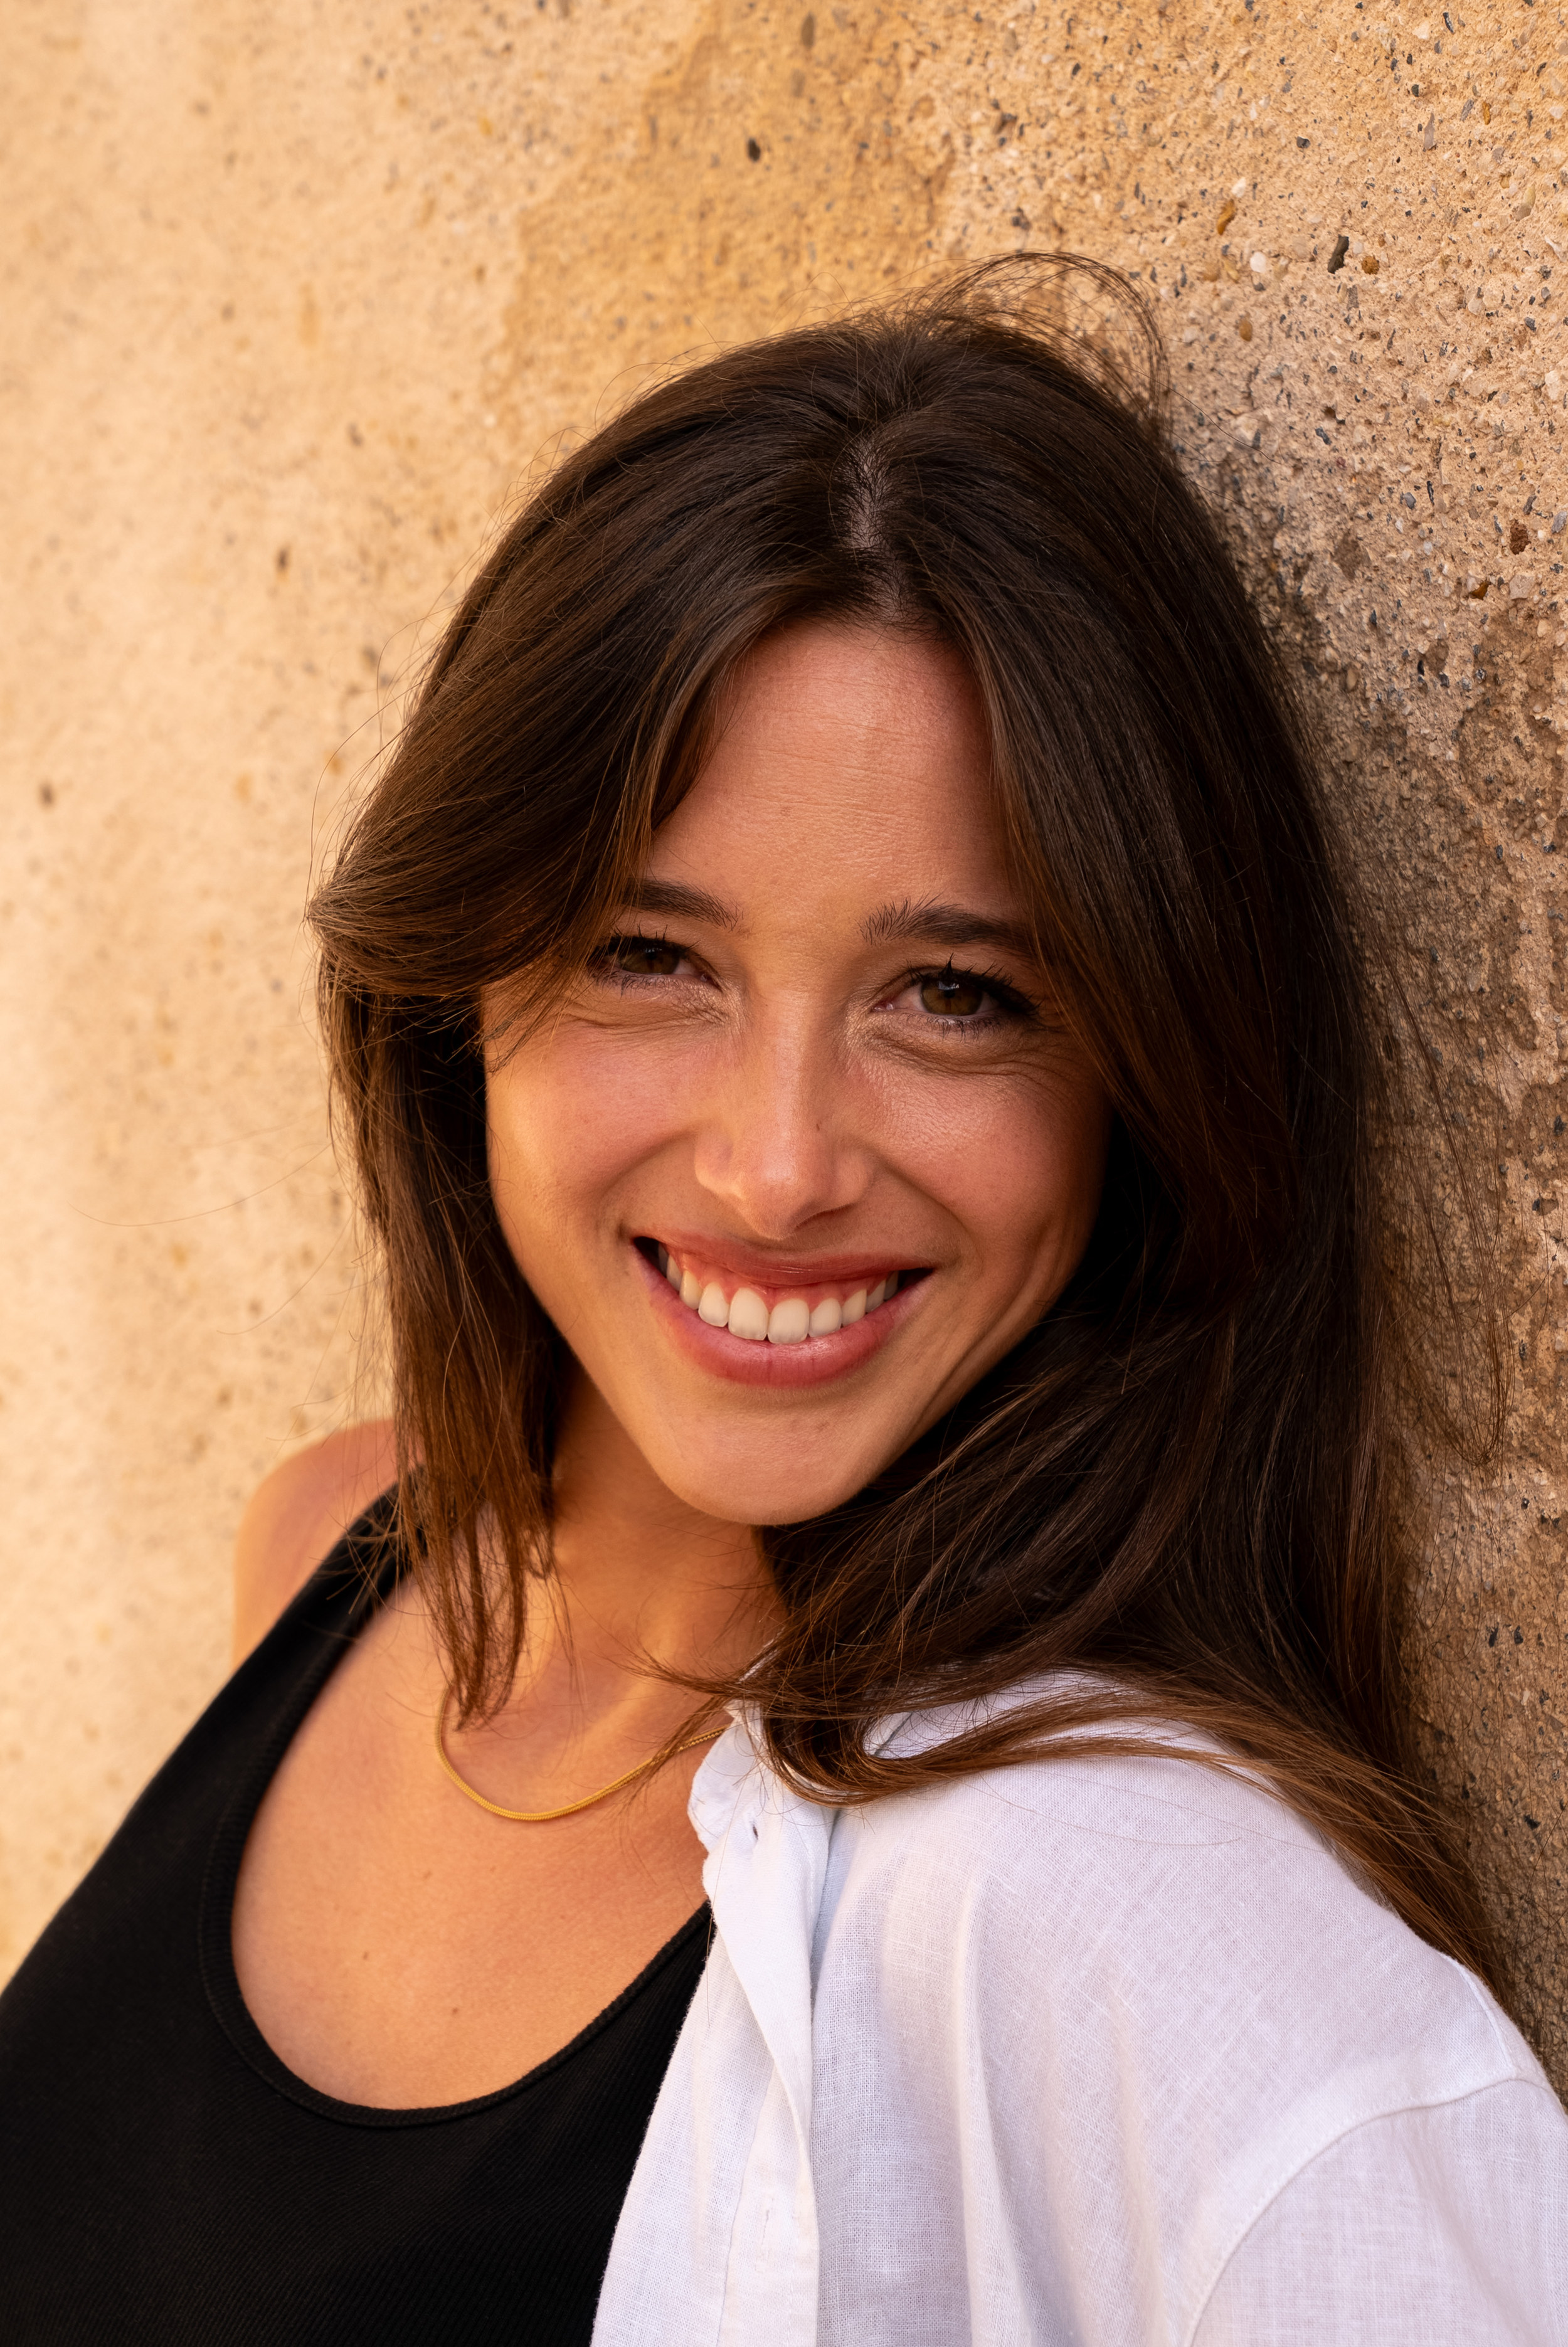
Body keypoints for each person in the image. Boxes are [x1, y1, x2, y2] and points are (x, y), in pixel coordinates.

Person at [0, 258, 1563, 2344]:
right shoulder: (337, 1548)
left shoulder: (1132, 1915)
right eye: (650, 957)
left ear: (1150, 1078)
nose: (776, 1164)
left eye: (956, 996)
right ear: (458, 990)